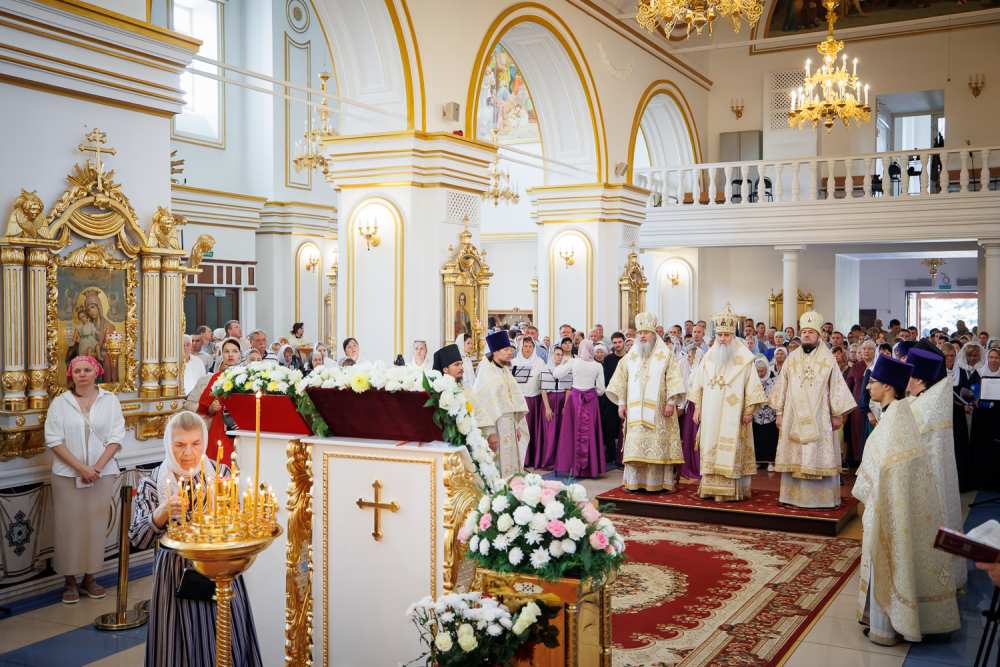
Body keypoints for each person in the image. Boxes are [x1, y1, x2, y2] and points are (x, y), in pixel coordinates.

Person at [130, 411, 262, 666]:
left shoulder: (220, 473)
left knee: (225, 640)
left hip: (220, 570)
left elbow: (238, 525)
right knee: (178, 648)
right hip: (175, 575)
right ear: (168, 443)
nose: (188, 453)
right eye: (180, 445)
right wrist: (161, 513)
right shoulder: (152, 482)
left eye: (195, 443)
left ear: (204, 442)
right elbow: (137, 538)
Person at [852, 355, 960, 647]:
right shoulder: (897, 413)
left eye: (873, 383)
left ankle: (886, 629)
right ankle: (882, 622)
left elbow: (890, 467)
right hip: (886, 500)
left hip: (890, 504)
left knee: (889, 560)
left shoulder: (897, 418)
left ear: (888, 386)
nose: (868, 387)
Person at [45, 356, 125, 604]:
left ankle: (90, 578)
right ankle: (69, 580)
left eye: (86, 370)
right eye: (77, 370)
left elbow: (116, 437)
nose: (81, 374)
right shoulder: (60, 403)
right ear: (71, 374)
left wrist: (96, 468)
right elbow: (53, 439)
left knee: (95, 525)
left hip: (102, 474)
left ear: (96, 372)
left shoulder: (110, 401)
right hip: (67, 475)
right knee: (68, 527)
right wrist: (81, 468)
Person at [772, 311, 856, 508]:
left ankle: (822, 499)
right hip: (793, 416)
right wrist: (779, 413)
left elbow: (836, 387)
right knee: (796, 455)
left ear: (819, 335)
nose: (807, 335)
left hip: (821, 417)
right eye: (804, 332)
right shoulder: (792, 358)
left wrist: (837, 414)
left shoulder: (828, 359)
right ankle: (792, 497)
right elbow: (782, 386)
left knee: (818, 455)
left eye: (811, 332)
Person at [687, 305, 766, 501]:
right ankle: (709, 488)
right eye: (720, 335)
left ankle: (732, 491)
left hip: (735, 414)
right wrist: (697, 408)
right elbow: (698, 385)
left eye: (726, 335)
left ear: (733, 336)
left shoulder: (745, 360)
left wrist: (749, 410)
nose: (722, 339)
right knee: (710, 446)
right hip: (711, 413)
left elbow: (753, 387)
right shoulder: (708, 357)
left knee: (731, 449)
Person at [905, 346, 966, 589]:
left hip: (927, 479)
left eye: (909, 374)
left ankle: (929, 580)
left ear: (919, 379)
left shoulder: (924, 406)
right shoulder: (928, 399)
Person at [606, 312, 686, 493]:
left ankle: (659, 483)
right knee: (636, 449)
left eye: (646, 332)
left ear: (654, 334)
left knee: (657, 448)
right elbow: (620, 380)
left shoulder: (665, 355)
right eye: (640, 332)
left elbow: (674, 379)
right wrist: (621, 403)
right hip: (635, 414)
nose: (642, 336)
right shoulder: (630, 357)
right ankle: (634, 483)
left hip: (659, 413)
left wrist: (671, 402)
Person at [474, 331, 530, 477]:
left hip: (509, 424)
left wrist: (516, 425)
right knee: (499, 465)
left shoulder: (504, 369)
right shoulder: (486, 372)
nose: (510, 352)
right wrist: (490, 433)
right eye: (506, 350)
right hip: (496, 426)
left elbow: (513, 399)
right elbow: (483, 406)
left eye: (510, 349)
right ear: (495, 352)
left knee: (512, 463)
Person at [552, 339, 606, 479]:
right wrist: (590, 391)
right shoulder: (598, 366)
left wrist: (562, 363)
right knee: (590, 432)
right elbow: (601, 390)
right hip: (591, 401)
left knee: (571, 431)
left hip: (575, 400)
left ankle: (572, 467)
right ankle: (591, 469)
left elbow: (556, 374)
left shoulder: (573, 362)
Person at [186, 337, 242, 465]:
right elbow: (203, 407)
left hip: (244, 427)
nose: (230, 355)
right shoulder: (216, 377)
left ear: (240, 354)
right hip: (221, 427)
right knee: (220, 466)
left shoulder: (249, 376)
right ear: (222, 354)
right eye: (227, 351)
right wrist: (211, 408)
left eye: (234, 351)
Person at [512, 336, 547, 470]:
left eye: (530, 346)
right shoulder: (514, 362)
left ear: (534, 347)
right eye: (525, 346)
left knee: (533, 430)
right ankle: (522, 458)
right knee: (521, 430)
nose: (527, 349)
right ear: (521, 347)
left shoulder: (539, 362)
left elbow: (544, 381)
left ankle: (533, 458)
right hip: (520, 401)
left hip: (535, 400)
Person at [971, 347, 1000, 491]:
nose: (994, 360)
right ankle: (981, 481)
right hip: (982, 416)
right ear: (987, 358)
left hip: (998, 417)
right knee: (982, 446)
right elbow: (971, 392)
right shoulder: (979, 373)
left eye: (997, 357)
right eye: (991, 357)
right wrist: (975, 399)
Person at [599, 332, 626, 466]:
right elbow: (605, 379)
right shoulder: (608, 359)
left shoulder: (629, 358)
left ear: (624, 342)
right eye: (615, 343)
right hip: (610, 397)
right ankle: (610, 455)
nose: (617, 345)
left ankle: (623, 455)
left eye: (619, 342)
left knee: (623, 427)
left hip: (625, 397)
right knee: (609, 426)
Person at [679, 343, 701, 480]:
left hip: (695, 405)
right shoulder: (693, 370)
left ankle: (696, 467)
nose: (688, 359)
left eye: (690, 356)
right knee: (688, 436)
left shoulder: (698, 371)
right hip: (690, 405)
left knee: (694, 436)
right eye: (687, 356)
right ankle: (688, 466)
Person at [752, 357, 779, 471]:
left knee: (770, 439)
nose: (760, 373)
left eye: (762, 371)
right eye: (758, 371)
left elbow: (777, 396)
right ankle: (759, 461)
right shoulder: (752, 381)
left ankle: (770, 462)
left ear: (767, 369)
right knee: (758, 438)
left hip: (770, 415)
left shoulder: (774, 380)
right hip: (756, 415)